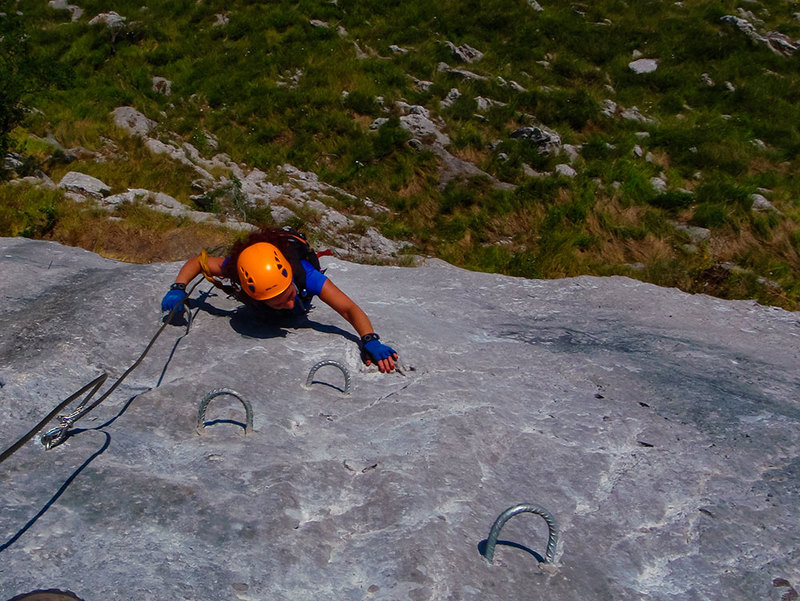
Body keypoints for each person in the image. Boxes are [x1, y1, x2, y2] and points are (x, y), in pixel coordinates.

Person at [161, 228, 398, 373]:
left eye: (290, 295)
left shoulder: (305, 275)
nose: (290, 304)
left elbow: (348, 308)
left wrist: (369, 339)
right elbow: (198, 263)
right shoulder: (237, 270)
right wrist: (178, 287)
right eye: (278, 303)